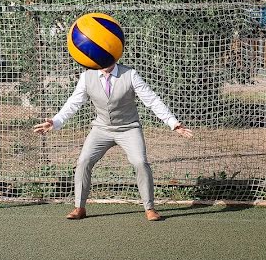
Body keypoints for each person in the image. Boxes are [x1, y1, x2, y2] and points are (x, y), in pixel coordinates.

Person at [33, 60, 193, 221]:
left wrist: (173, 123)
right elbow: (73, 103)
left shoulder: (130, 74)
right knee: (83, 161)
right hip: (101, 129)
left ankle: (150, 208)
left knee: (140, 162)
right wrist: (55, 121)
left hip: (129, 128)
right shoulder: (87, 77)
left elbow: (152, 100)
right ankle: (79, 207)